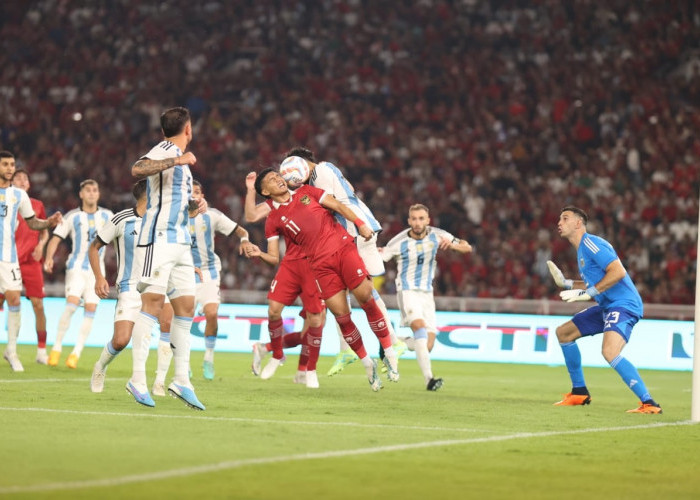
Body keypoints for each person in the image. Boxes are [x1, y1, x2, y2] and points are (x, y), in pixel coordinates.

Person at [250, 147, 406, 376]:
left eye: (291, 168)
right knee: (343, 296)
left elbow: (333, 203)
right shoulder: (322, 173)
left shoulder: (320, 172)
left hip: (352, 231)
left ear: (302, 163)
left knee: (363, 291)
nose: (289, 175)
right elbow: (349, 190)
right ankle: (351, 349)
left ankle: (390, 341)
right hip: (346, 234)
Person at [547, 206, 662, 414]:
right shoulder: (582, 251)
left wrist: (589, 292)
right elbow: (593, 283)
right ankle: (579, 392)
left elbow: (617, 272)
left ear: (578, 223)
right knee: (564, 333)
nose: (559, 223)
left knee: (609, 351)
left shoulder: (591, 243)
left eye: (565, 218)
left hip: (624, 304)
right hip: (607, 306)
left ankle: (650, 404)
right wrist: (566, 283)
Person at [128, 106, 206, 410]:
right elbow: (137, 169)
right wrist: (177, 158)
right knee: (153, 305)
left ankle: (181, 380)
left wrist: (192, 206)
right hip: (159, 237)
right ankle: (137, 379)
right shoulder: (167, 149)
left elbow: (171, 200)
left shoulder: (182, 165)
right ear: (188, 129)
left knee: (186, 306)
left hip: (181, 240)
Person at [155, 179, 252, 381]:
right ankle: (185, 364)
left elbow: (241, 231)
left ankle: (208, 358)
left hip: (208, 272)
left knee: (212, 314)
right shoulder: (173, 218)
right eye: (190, 192)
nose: (193, 195)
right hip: (182, 273)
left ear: (202, 196)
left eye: (197, 192)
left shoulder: (212, 216)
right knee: (180, 321)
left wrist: (244, 240)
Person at [88, 180, 174, 394]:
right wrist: (99, 277)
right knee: (121, 340)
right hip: (130, 287)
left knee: (167, 324)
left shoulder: (164, 221)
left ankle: (159, 382)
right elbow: (94, 247)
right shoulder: (121, 219)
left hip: (158, 285)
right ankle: (100, 366)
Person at [244, 172, 328, 389]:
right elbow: (252, 217)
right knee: (275, 310)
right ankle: (277, 355)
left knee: (311, 326)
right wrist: (251, 189)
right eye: (272, 179)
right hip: (294, 265)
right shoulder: (273, 211)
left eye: (278, 175)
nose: (280, 178)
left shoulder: (306, 192)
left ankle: (304, 369)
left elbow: (333, 204)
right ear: (265, 192)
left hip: (321, 265)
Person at [380, 204, 472, 391]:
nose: (417, 222)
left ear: (428, 220)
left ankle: (391, 341)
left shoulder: (437, 234)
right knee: (420, 330)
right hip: (407, 292)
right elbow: (380, 257)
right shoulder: (398, 242)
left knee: (427, 345)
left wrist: (453, 246)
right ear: (409, 221)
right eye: (414, 218)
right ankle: (429, 380)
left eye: (421, 218)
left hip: (427, 294)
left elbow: (467, 247)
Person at [0, 151, 62, 372]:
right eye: (5, 164)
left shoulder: (19, 196)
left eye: (12, 164)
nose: (9, 168)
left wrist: (49, 222)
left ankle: (12, 351)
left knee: (15, 301)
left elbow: (33, 224)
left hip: (9, 259)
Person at [44, 179, 112, 369]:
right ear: (81, 194)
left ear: (99, 194)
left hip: (97, 273)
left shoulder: (108, 216)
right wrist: (49, 257)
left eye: (95, 190)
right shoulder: (72, 216)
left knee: (90, 310)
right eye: (88, 190)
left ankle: (76, 353)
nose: (91, 193)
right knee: (72, 306)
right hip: (76, 268)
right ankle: (56, 348)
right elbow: (55, 238)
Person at [2, 169, 50, 364]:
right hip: (8, 259)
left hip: (31, 262)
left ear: (29, 184)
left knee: (38, 304)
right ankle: (10, 348)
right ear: (11, 182)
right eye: (18, 178)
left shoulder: (37, 205)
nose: (22, 181)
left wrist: (41, 245)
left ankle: (41, 351)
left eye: (25, 178)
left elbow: (44, 230)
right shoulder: (6, 200)